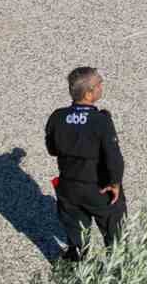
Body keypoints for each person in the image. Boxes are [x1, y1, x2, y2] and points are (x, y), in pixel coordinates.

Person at [45, 65, 126, 260]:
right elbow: (114, 157)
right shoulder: (101, 121)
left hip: (68, 188)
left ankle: (75, 266)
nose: (102, 85)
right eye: (99, 83)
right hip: (98, 189)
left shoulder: (57, 117)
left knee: (76, 234)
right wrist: (115, 183)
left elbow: (52, 150)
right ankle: (118, 271)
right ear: (89, 93)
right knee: (114, 234)